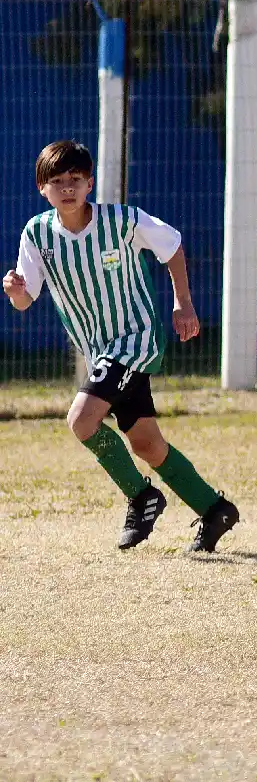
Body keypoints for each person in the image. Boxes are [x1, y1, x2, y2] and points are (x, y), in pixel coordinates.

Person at [3, 140, 239, 553]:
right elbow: (26, 300)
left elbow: (172, 246)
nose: (67, 188)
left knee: (81, 420)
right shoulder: (37, 234)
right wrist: (14, 290)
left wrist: (183, 303)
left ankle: (141, 497)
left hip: (136, 339)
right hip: (101, 351)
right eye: (57, 182)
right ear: (43, 189)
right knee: (146, 443)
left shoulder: (123, 221)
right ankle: (214, 508)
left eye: (75, 179)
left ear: (89, 183)